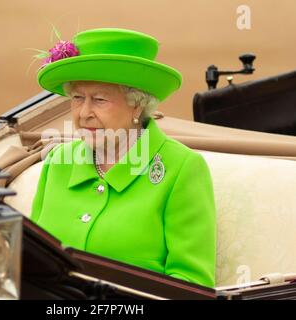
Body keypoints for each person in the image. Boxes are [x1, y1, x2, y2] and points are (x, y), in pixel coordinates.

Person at [30, 28, 216, 288]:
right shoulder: (58, 161)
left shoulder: (182, 169)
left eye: (100, 99)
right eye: (77, 98)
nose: (84, 113)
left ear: (137, 104)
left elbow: (191, 285)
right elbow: (29, 265)